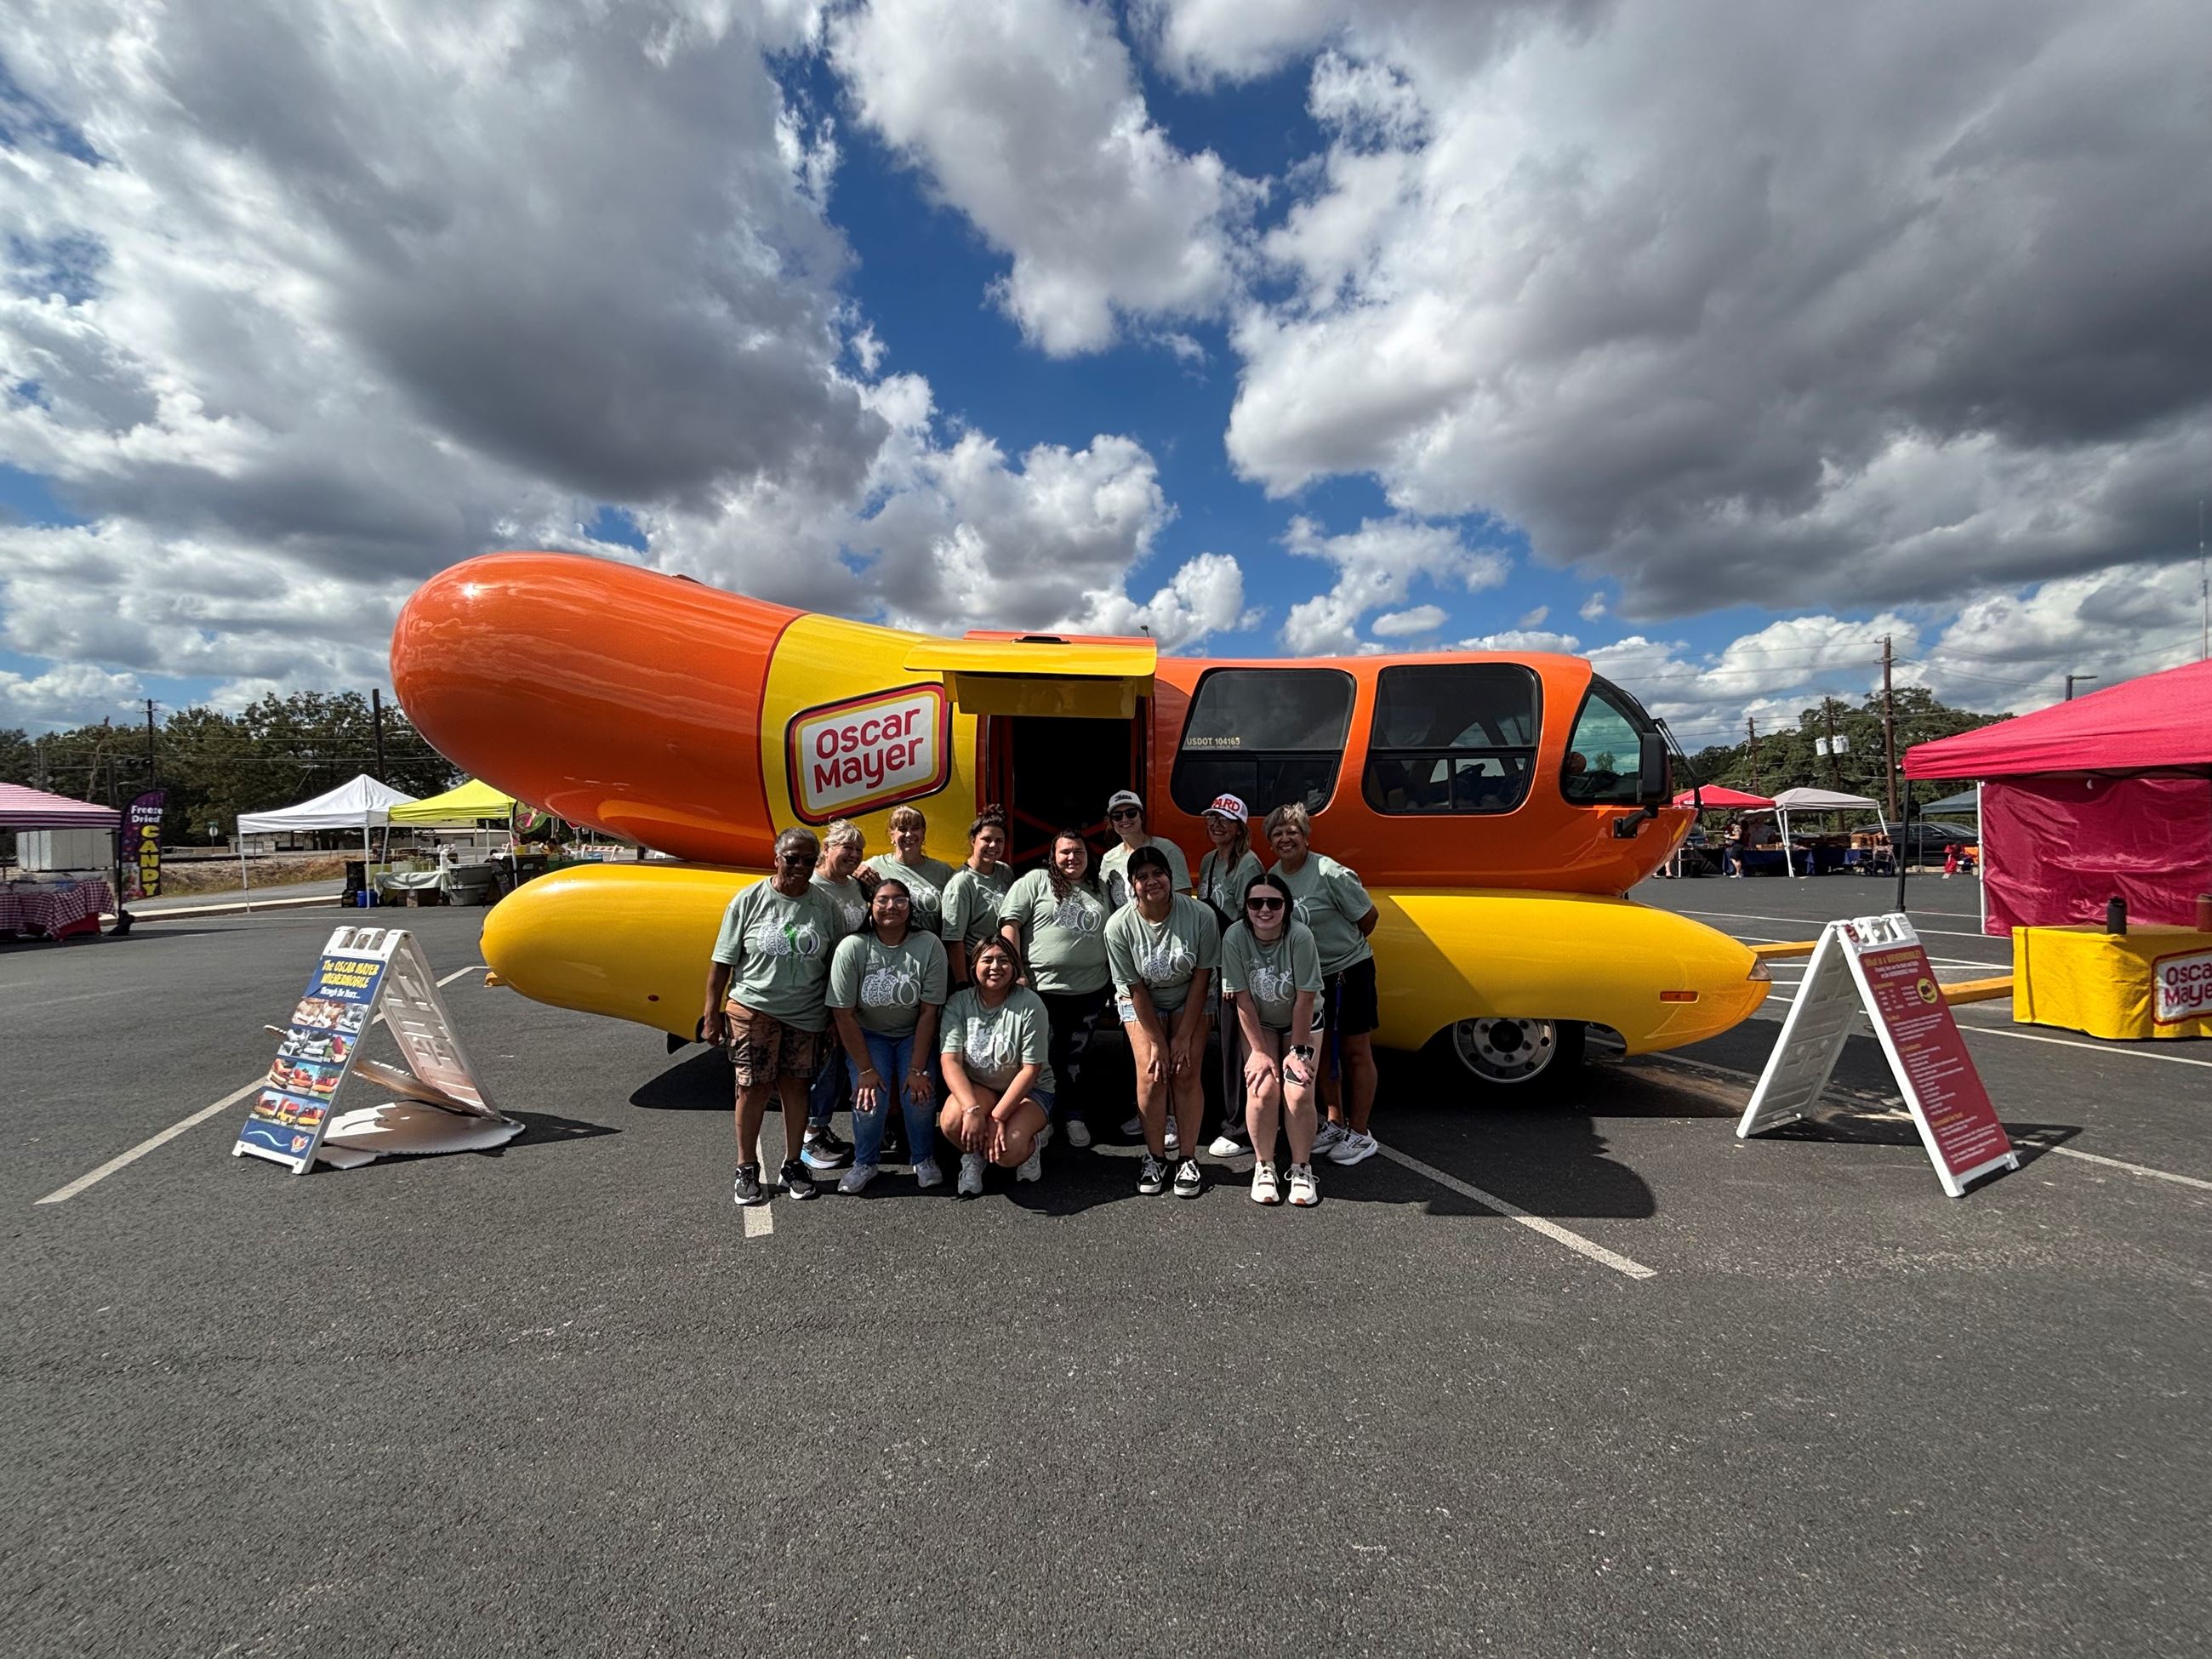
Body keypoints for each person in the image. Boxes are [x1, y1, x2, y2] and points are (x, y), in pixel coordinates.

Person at [703, 827, 844, 1205]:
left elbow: (836, 965)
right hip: (754, 1008)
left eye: (808, 860)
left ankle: (793, 1162)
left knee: (796, 1087)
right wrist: (711, 1015)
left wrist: (834, 1016)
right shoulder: (749, 901)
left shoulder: (825, 906)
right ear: (775, 858)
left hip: (807, 1012)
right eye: (792, 858)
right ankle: (746, 1166)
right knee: (753, 1087)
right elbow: (722, 962)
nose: (800, 866)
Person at [1265, 802, 1380, 1167]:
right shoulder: (1274, 874)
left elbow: (1368, 917)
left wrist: (1340, 954)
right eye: (1278, 834)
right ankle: (1333, 1121)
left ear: (1306, 836)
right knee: (1322, 1052)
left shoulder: (1329, 872)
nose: (1285, 839)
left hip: (1349, 971)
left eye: (1292, 832)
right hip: (1311, 980)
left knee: (1355, 1051)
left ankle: (1360, 1133)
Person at [1104, 844, 1221, 1198]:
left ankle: (1187, 1157)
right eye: (1142, 877)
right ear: (1132, 885)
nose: (1152, 881)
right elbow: (1135, 988)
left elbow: (1202, 977)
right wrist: (1158, 1041)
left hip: (1191, 997)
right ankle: (1155, 1156)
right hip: (1143, 1002)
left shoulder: (1201, 915)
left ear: (1171, 878)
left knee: (1185, 1070)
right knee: (1153, 1072)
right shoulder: (1118, 927)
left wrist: (1183, 1037)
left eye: (1158, 874)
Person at [825, 878, 949, 1194]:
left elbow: (928, 1012)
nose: (891, 906)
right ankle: (865, 1162)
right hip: (870, 1035)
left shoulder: (929, 945)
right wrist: (866, 1071)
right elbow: (843, 1013)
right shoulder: (853, 947)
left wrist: (917, 1069)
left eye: (899, 900)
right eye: (882, 900)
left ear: (910, 907)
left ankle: (923, 1158)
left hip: (912, 1032)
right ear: (871, 907)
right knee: (869, 1098)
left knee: (920, 1096)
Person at [997, 830, 1112, 1148]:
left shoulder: (1100, 888)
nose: (1072, 858)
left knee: (1076, 1059)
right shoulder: (1035, 881)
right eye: (1064, 852)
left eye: (1078, 852)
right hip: (1041, 990)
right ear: (1053, 856)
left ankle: (1073, 1115)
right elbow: (1010, 924)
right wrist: (1016, 971)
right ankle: (1041, 1117)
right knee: (1040, 1059)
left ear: (1088, 857)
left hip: (1090, 991)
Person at [1220, 871, 1324, 1206]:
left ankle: (1301, 1167)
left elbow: (1305, 998)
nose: (1265, 909)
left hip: (1302, 1020)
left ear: (1286, 906)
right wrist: (1259, 1053)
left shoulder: (1300, 936)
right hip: (1260, 1020)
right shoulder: (1235, 936)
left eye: (1273, 902)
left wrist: (1296, 1051)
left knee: (1297, 1090)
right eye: (1256, 902)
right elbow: (1243, 998)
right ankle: (1264, 1166)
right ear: (1246, 908)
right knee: (1263, 1087)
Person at [938, 937, 1056, 1197]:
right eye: (987, 960)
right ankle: (974, 1155)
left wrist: (997, 1117)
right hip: (982, 1087)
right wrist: (971, 1110)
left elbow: (1030, 1069)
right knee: (951, 1120)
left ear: (1014, 967)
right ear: (973, 966)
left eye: (1003, 960)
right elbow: (951, 1061)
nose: (995, 967)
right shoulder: (959, 1003)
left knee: (1007, 1152)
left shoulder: (1030, 1004)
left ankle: (1031, 1144)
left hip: (1030, 1091)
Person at [800, 818, 874, 1172]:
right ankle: (809, 1133)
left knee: (845, 1060)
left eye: (858, 849)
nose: (854, 855)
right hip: (824, 989)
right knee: (824, 1063)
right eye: (847, 847)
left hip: (856, 988)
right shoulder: (812, 888)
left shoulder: (856, 885)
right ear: (826, 849)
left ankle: (822, 1125)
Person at [1194, 792, 1264, 1155]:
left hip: (1236, 965)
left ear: (1239, 828)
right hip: (1213, 960)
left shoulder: (1248, 864)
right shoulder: (1208, 861)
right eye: (1212, 818)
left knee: (1238, 1046)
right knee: (1221, 1045)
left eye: (1224, 820)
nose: (1216, 825)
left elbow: (1248, 923)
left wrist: (1233, 977)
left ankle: (1238, 1127)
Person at [940, 807, 1016, 985]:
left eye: (999, 841)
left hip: (1002, 967)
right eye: (986, 839)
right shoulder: (961, 883)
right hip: (977, 969)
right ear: (973, 840)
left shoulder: (1005, 872)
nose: (993, 846)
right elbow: (954, 940)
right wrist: (963, 983)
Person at [865, 806, 958, 940]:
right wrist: (856, 870)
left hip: (931, 951)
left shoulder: (943, 871)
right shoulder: (875, 866)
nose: (909, 834)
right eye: (902, 829)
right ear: (892, 834)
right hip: (888, 951)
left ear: (923, 833)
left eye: (915, 828)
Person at [1097, 788, 1191, 912]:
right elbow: (1105, 902)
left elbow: (1183, 896)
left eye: (1131, 813)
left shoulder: (1167, 849)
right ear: (1112, 822)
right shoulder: (1109, 859)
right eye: (1117, 816)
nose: (1124, 819)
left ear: (1141, 816)